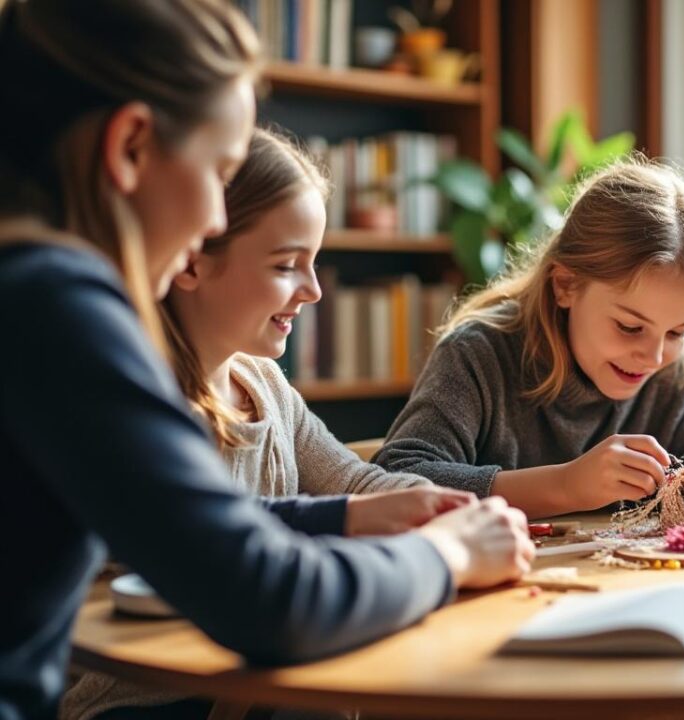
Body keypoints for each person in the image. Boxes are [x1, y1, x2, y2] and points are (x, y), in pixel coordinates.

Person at [0, 3, 531, 719]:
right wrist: (450, 555)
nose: (213, 224)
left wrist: (345, 516)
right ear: (129, 146)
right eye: (218, 175)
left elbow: (199, 534)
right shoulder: (55, 302)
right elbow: (273, 601)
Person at [62, 127, 484, 720]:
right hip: (145, 696)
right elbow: (174, 556)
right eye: (288, 265)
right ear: (191, 262)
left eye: (315, 264)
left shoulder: (264, 383)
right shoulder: (143, 399)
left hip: (264, 672)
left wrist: (444, 508)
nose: (312, 291)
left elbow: (355, 484)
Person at [375, 160, 684, 519]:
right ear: (565, 286)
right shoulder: (479, 355)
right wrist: (564, 487)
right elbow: (393, 478)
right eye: (629, 327)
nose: (654, 355)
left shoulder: (671, 370)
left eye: (678, 331)